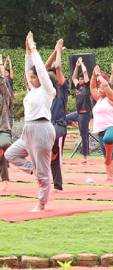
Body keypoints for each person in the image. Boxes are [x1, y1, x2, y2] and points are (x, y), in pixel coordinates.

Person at [5, 31, 56, 211]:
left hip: (42, 129)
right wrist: (27, 51)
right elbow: (29, 70)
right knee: (10, 155)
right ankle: (34, 169)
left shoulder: (47, 90)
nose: (31, 79)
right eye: (31, 77)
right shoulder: (33, 91)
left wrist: (34, 49)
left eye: (34, 77)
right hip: (28, 130)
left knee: (43, 173)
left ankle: (41, 204)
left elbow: (40, 70)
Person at [45, 39, 69, 191]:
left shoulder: (63, 88)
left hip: (59, 126)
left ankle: (54, 151)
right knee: (52, 158)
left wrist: (59, 50)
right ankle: (57, 186)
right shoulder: (47, 92)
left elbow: (57, 66)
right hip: (48, 127)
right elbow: (44, 67)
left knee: (54, 152)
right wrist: (55, 51)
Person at [90, 65, 113, 181]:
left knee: (107, 140)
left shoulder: (111, 98)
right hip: (101, 131)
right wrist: (93, 75)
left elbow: (106, 85)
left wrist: (99, 75)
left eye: (101, 87)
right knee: (106, 154)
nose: (100, 89)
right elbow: (92, 87)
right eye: (99, 88)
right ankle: (110, 177)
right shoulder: (99, 100)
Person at [66, 57, 92, 163]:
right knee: (63, 118)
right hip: (78, 114)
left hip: (85, 114)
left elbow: (85, 72)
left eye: (82, 79)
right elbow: (73, 77)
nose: (80, 80)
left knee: (84, 135)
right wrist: (76, 67)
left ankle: (85, 157)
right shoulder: (78, 87)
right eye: (80, 79)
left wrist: (81, 63)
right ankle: (75, 124)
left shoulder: (87, 86)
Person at [0, 55, 12, 191]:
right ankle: (5, 179)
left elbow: (2, 82)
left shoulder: (4, 97)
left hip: (3, 128)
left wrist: (1, 63)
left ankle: (5, 179)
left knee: (4, 146)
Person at [3, 55, 14, 128]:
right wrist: (5, 61)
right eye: (5, 72)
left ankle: (10, 125)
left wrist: (9, 61)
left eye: (7, 72)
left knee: (10, 111)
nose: (6, 72)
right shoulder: (3, 78)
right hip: (4, 97)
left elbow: (11, 69)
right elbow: (2, 69)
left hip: (10, 97)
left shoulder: (10, 78)